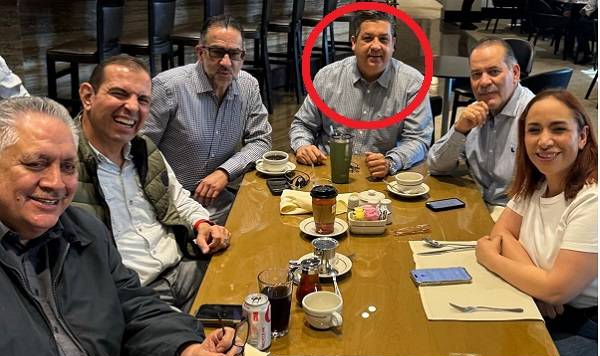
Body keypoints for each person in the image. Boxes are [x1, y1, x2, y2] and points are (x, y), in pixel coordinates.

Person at [0, 96, 241, 356]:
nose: (56, 183)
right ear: (88, 97)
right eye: (36, 164)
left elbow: (131, 308)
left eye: (68, 167)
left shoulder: (83, 230)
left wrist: (187, 350)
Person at [73, 55, 231, 313]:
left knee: (254, 299)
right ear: (87, 96)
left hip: (184, 265)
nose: (132, 107)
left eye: (143, 100)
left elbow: (178, 198)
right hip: (132, 295)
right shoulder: (62, 165)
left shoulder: (142, 148)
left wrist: (203, 224)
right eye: (119, 93)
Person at [476, 90, 598, 356]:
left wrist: (490, 258)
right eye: (534, 130)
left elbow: (557, 289)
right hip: (543, 309)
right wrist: (539, 285)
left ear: (582, 137)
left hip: (585, 327)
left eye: (558, 129)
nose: (544, 141)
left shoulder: (592, 200)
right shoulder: (538, 183)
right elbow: (500, 234)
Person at [140, 15, 272, 225]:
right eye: (217, 52)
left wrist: (225, 172)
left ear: (242, 57)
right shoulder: (167, 88)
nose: (226, 62)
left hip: (217, 200)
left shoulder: (248, 86)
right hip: (168, 205)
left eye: (234, 54)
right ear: (200, 52)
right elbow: (139, 153)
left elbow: (261, 140)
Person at [288, 10, 433, 179]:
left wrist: (391, 161)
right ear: (353, 42)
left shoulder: (413, 83)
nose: (376, 46)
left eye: (383, 39)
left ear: (393, 44)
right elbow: (303, 124)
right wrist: (303, 145)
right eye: (368, 38)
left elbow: (418, 139)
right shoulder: (327, 77)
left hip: (381, 179)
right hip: (327, 173)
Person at [427, 38, 535, 215]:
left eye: (494, 72)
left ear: (515, 73)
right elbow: (436, 166)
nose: (484, 82)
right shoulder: (476, 112)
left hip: (516, 213)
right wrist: (459, 130)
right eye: (476, 74)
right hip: (476, 202)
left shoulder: (534, 118)